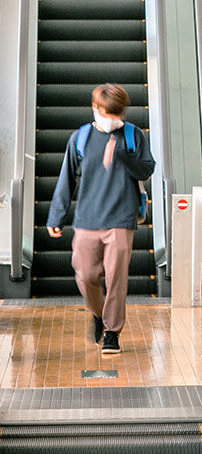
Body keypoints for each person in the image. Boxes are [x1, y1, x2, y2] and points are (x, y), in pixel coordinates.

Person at [46, 84, 155, 354]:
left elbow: (147, 171)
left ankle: (112, 332)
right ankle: (98, 313)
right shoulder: (81, 138)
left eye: (118, 114)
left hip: (121, 218)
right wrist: (56, 216)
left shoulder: (132, 135)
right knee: (85, 275)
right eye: (108, 113)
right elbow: (66, 178)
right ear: (95, 109)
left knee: (117, 278)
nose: (113, 119)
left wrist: (124, 157)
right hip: (87, 219)